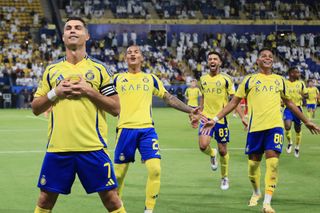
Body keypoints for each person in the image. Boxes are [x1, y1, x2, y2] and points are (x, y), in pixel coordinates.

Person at [200, 48, 320, 213]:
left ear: (273, 61)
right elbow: (233, 103)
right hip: (255, 129)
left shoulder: (279, 80)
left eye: (270, 56)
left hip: (274, 127)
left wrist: (307, 121)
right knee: (253, 167)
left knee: (273, 163)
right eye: (264, 56)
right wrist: (214, 119)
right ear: (257, 60)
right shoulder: (249, 80)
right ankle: (256, 192)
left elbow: (290, 103)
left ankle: (267, 203)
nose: (267, 58)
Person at [31, 17, 126, 213]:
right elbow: (36, 107)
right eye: (68, 28)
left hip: (92, 147)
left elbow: (116, 108)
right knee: (45, 199)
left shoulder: (100, 69)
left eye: (78, 27)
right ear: (64, 36)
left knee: (112, 199)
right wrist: (55, 92)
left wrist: (88, 90)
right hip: (58, 147)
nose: (72, 30)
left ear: (87, 36)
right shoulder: (52, 70)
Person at [113, 45, 199, 213]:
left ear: (142, 58)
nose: (132, 54)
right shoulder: (116, 79)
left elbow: (168, 98)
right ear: (125, 59)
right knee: (118, 176)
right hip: (125, 130)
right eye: (129, 52)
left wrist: (190, 109)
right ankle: (118, 209)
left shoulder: (151, 78)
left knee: (155, 170)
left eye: (136, 52)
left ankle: (149, 210)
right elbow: (102, 98)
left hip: (147, 130)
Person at [198, 51, 246, 190]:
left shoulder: (227, 79)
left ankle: (224, 177)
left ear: (219, 62)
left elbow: (234, 100)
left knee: (223, 151)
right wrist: (200, 112)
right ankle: (212, 154)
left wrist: (243, 117)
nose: (212, 61)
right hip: (206, 117)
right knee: (203, 146)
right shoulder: (203, 79)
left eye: (215, 59)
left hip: (221, 119)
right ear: (208, 62)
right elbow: (203, 96)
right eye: (210, 59)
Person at [283, 67, 308, 158]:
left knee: (297, 129)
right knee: (287, 126)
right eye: (296, 72)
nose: (298, 74)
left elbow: (306, 94)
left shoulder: (301, 83)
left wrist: (303, 95)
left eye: (298, 72)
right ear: (291, 73)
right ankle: (290, 143)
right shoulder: (285, 83)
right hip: (288, 108)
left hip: (298, 108)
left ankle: (297, 147)